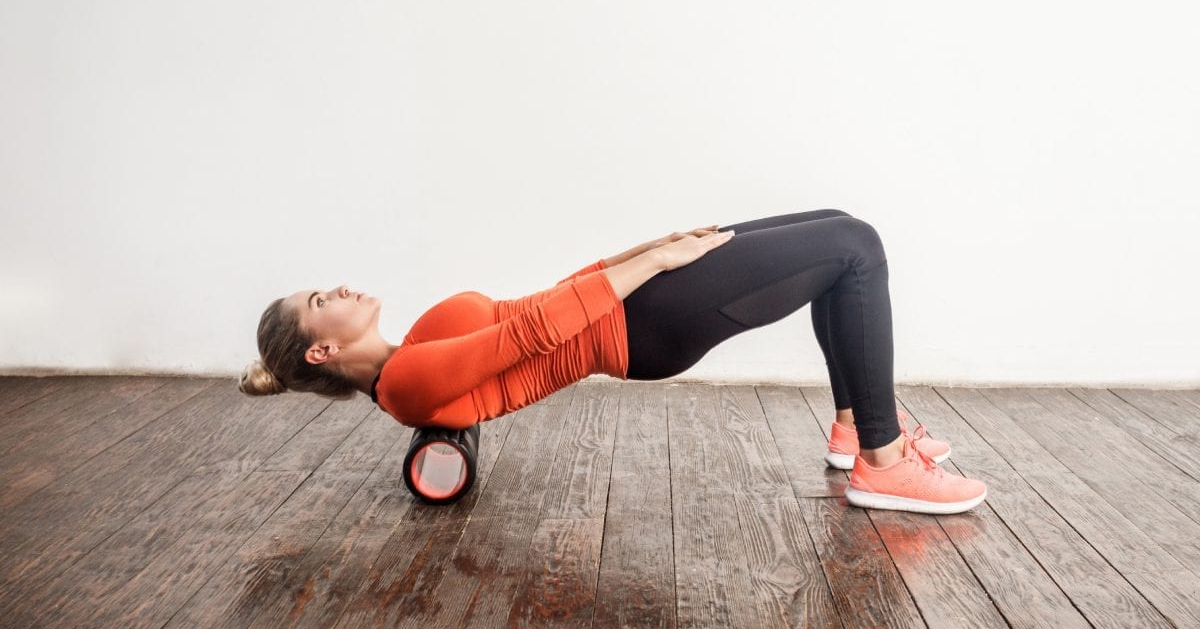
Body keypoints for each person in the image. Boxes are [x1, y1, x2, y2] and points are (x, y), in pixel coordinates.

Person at [240, 209, 986, 515]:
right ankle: (884, 464)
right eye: (320, 298)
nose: (337, 288)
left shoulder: (411, 348)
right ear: (323, 349)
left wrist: (645, 249)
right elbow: (534, 334)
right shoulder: (404, 385)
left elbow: (545, 298)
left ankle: (858, 429)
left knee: (836, 230)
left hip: (626, 303)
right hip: (642, 329)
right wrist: (656, 264)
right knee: (855, 249)